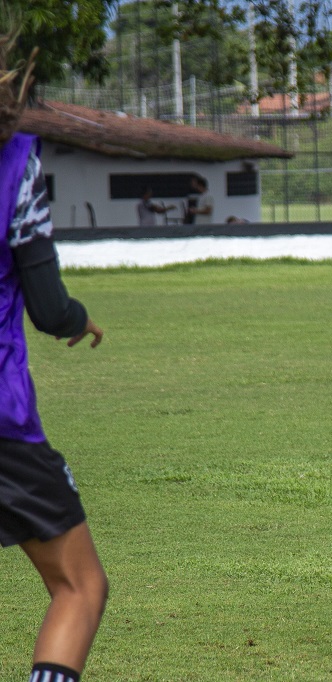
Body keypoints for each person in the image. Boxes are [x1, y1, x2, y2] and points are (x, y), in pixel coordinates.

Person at [1, 37, 109, 682]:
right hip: (4, 427)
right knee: (79, 588)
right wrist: (78, 319)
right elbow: (47, 309)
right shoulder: (16, 163)